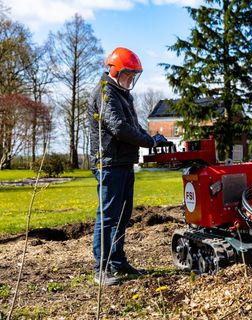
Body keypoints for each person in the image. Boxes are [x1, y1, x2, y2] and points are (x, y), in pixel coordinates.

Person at [88, 47, 166, 285]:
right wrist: (148, 141)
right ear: (114, 71)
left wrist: (152, 138)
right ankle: (101, 268)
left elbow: (133, 126)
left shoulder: (122, 95)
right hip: (108, 163)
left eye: (134, 76)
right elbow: (119, 128)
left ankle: (117, 262)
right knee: (108, 216)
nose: (131, 79)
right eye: (128, 74)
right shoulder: (105, 93)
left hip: (122, 163)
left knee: (122, 216)